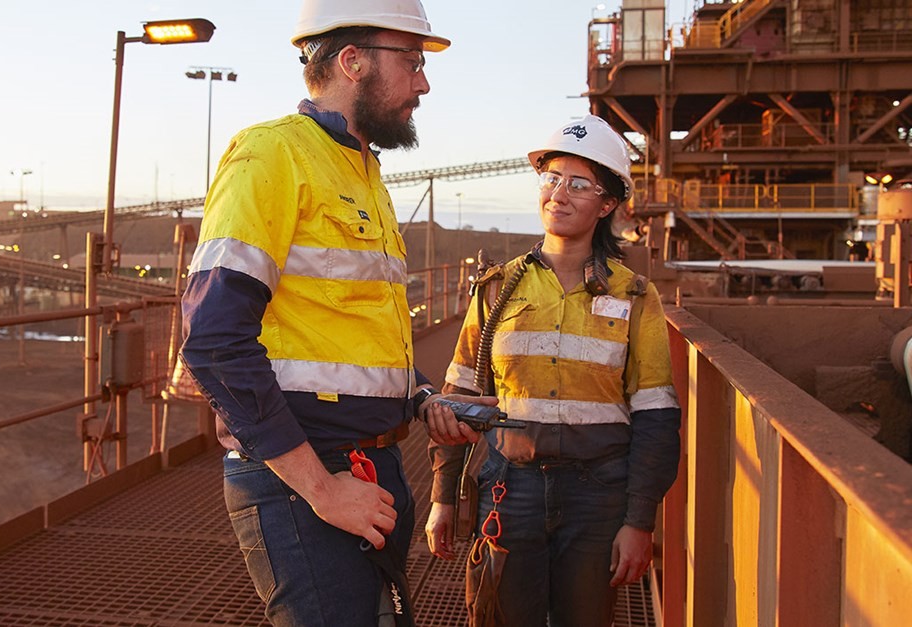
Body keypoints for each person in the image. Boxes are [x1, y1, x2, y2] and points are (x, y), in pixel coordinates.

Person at [179, 1, 483, 624]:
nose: (423, 83)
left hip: (373, 467)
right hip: (304, 481)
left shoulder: (365, 172)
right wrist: (322, 490)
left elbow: (352, 339)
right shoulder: (272, 156)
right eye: (413, 62)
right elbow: (213, 342)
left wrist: (423, 398)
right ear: (352, 61)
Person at [423, 114, 682, 626]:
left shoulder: (634, 296)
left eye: (580, 184)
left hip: (598, 496)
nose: (559, 195)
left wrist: (639, 520)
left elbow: (656, 417)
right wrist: (443, 499)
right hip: (509, 488)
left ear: (607, 204)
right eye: (551, 179)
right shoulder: (498, 290)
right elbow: (458, 400)